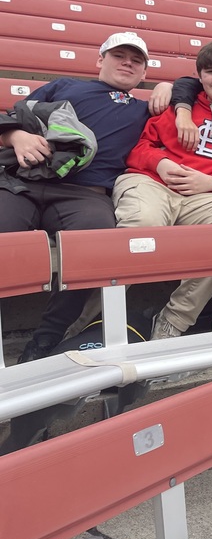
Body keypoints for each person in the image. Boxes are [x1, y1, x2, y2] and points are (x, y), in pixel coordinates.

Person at [0, 32, 173, 363]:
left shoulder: (145, 108)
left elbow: (211, 86)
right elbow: (16, 115)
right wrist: (16, 136)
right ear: (100, 60)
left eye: (137, 60)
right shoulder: (65, 86)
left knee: (95, 245)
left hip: (85, 194)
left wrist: (171, 87)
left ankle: (46, 339)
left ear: (144, 74)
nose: (128, 63)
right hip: (24, 181)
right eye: (119, 56)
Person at [112, 41, 212, 339]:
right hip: (151, 183)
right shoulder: (178, 105)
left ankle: (174, 320)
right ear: (200, 75)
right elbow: (139, 149)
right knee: (144, 226)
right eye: (211, 72)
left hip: (206, 197)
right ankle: (90, 317)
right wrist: (160, 163)